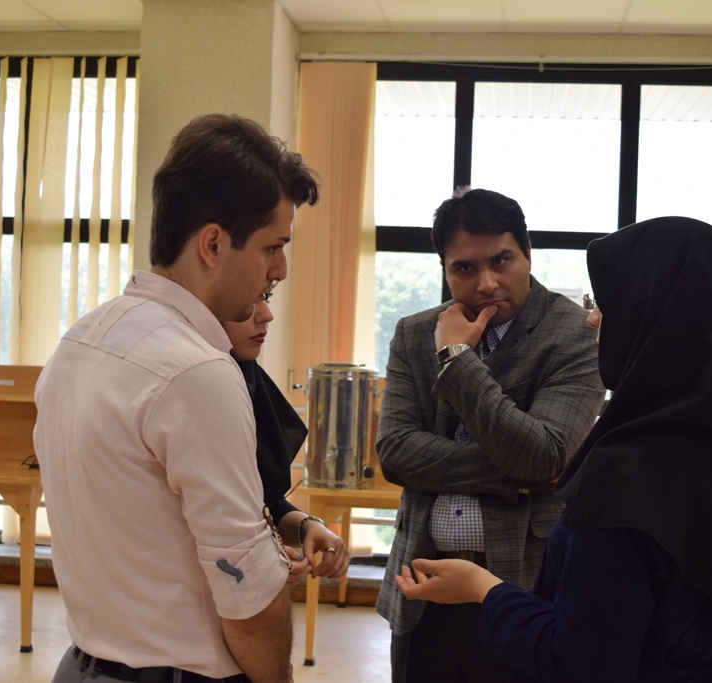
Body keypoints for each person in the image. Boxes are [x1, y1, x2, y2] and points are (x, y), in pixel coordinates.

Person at [395, 216, 712, 682]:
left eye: (607, 303)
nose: (593, 321)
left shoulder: (620, 479)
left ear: (657, 318)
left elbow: (582, 663)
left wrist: (484, 590)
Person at [35, 114, 319, 683]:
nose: (280, 270)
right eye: (272, 247)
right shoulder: (196, 371)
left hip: (85, 663)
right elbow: (249, 600)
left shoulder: (82, 339)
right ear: (213, 244)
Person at [375, 187, 604, 682]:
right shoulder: (414, 333)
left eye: (501, 260)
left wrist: (457, 359)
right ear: (444, 269)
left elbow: (545, 455)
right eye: (464, 268)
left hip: (524, 587)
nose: (486, 283)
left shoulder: (576, 334)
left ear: (528, 253)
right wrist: (511, 474)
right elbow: (394, 452)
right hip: (422, 585)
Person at [220, 288, 351, 582]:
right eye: (249, 300)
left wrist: (310, 526)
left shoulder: (247, 378)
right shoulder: (200, 393)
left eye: (266, 298)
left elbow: (265, 504)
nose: (266, 315)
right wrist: (262, 561)